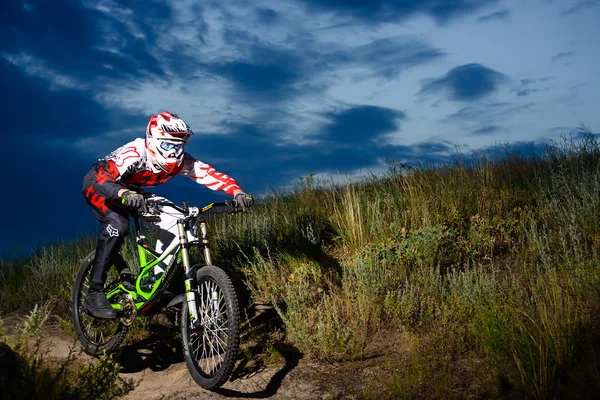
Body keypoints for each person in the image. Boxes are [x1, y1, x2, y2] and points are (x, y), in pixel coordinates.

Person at [81, 111, 253, 319]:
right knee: (118, 227)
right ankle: (94, 293)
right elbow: (102, 178)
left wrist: (237, 192)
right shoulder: (135, 151)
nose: (174, 152)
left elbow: (209, 173)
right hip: (102, 186)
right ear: (152, 139)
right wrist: (122, 193)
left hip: (134, 192)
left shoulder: (181, 162)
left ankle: (155, 284)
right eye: (168, 145)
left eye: (179, 146)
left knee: (181, 223)